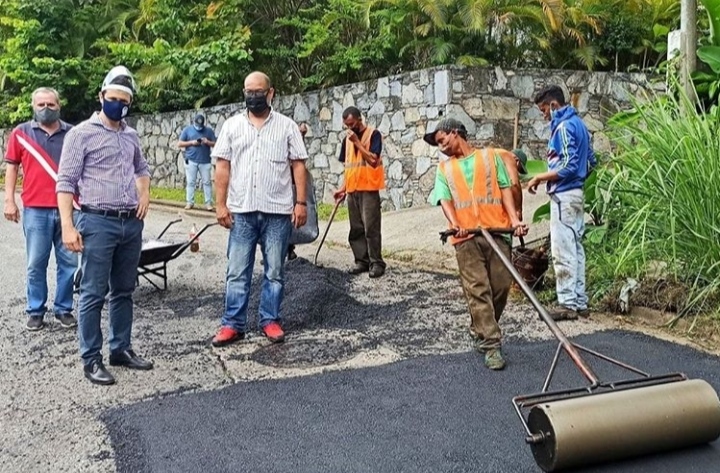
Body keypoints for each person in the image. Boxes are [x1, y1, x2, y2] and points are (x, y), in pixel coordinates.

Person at [57, 66, 153, 385]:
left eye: (125, 101)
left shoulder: (131, 135)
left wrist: (145, 196)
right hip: (97, 221)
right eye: (113, 98)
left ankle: (120, 348)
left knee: (124, 290)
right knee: (93, 292)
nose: (119, 105)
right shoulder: (81, 134)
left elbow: (142, 167)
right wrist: (69, 227)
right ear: (101, 97)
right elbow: (66, 183)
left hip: (130, 223)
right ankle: (91, 358)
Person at [210, 71, 308, 347]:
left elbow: (298, 164)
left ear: (270, 93)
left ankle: (270, 319)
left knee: (275, 271)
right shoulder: (231, 126)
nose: (252, 96)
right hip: (242, 212)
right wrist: (220, 205)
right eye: (248, 91)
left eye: (258, 91)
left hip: (277, 212)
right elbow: (222, 167)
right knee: (237, 271)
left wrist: (300, 203)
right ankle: (232, 324)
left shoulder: (287, 126)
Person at [425, 118, 527, 370]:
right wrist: (454, 222)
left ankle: (479, 326)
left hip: (497, 230)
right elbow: (444, 198)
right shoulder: (444, 169)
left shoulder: (489, 157)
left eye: (442, 140)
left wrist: (515, 220)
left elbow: (505, 189)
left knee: (501, 286)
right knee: (477, 289)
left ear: (455, 132)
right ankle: (491, 344)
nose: (440, 147)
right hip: (466, 236)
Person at [3, 87, 78, 331]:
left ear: (59, 106)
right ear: (33, 107)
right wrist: (9, 200)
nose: (46, 109)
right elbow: (12, 167)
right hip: (35, 209)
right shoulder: (21, 133)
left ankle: (64, 309)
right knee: (36, 263)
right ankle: (36, 310)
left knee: (68, 262)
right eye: (41, 105)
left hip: (68, 209)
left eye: (51, 104)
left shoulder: (72, 134)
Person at [527, 85, 596, 321]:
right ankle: (579, 301)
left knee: (563, 249)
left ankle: (567, 303)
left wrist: (540, 177)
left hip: (564, 195)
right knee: (576, 248)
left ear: (554, 105)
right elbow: (591, 161)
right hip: (576, 194)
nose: (544, 115)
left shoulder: (564, 127)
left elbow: (567, 165)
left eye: (544, 109)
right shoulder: (581, 126)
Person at [332, 106, 386, 278]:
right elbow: (348, 168)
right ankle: (361, 261)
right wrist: (342, 189)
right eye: (346, 125)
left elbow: (373, 161)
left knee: (371, 227)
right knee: (356, 228)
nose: (349, 128)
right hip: (352, 190)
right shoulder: (346, 141)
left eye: (352, 124)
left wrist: (357, 141)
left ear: (359, 119)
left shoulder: (373, 134)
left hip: (369, 189)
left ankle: (376, 262)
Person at [178, 113, 217, 210]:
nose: (199, 128)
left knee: (207, 182)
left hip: (205, 161)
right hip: (191, 160)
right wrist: (192, 142)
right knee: (190, 182)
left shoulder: (208, 131)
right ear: (194, 122)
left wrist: (208, 142)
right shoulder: (187, 130)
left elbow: (216, 144)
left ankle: (208, 203)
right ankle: (189, 202)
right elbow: (179, 143)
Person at [287, 122, 309, 261]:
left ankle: (289, 249)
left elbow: (299, 165)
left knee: (291, 219)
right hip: (278, 187)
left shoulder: (297, 144)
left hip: (292, 187)